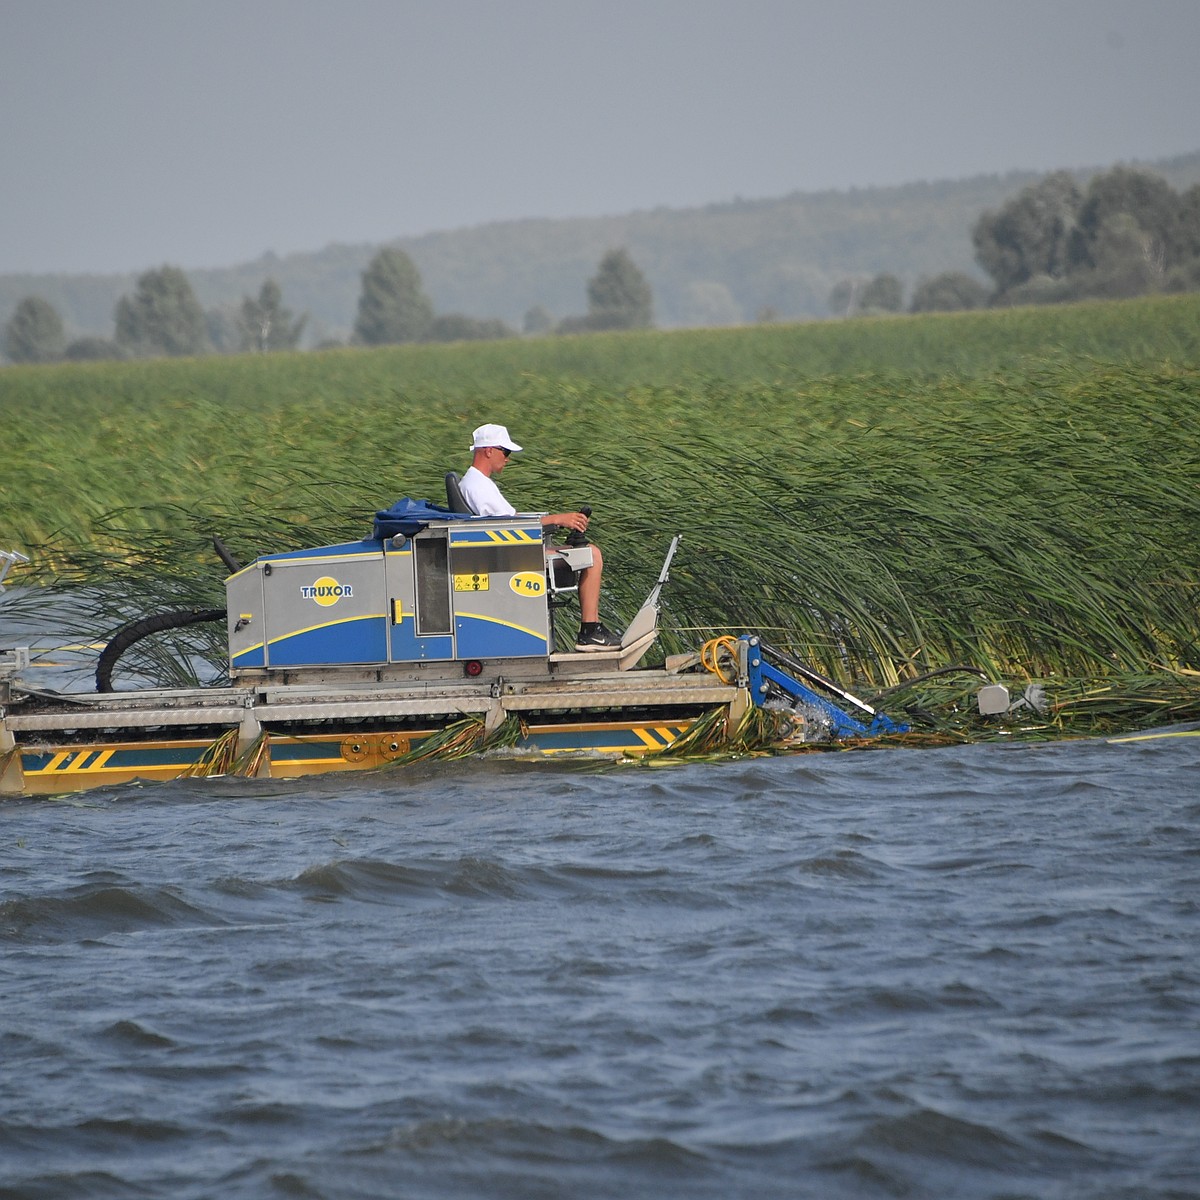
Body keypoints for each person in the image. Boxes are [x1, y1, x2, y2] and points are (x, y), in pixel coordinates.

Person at [459, 423, 621, 652]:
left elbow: (510, 522)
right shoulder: (478, 486)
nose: (508, 459)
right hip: (511, 555)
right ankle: (589, 632)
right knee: (592, 555)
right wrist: (558, 519)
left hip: (510, 549)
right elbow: (512, 526)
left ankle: (590, 630)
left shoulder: (476, 482)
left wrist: (554, 522)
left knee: (585, 551)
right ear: (488, 451)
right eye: (505, 452)